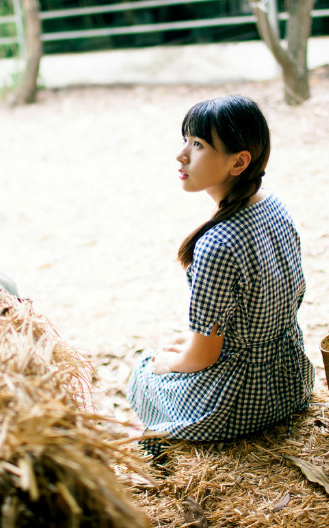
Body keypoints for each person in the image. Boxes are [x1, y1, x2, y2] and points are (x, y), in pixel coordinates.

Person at [126, 94, 314, 443]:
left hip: (243, 399)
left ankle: (158, 443)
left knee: (142, 372)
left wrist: (170, 362)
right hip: (292, 379)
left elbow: (204, 354)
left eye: (197, 144)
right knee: (173, 354)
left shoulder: (217, 244)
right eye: (185, 140)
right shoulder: (274, 206)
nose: (181, 155)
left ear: (238, 162)